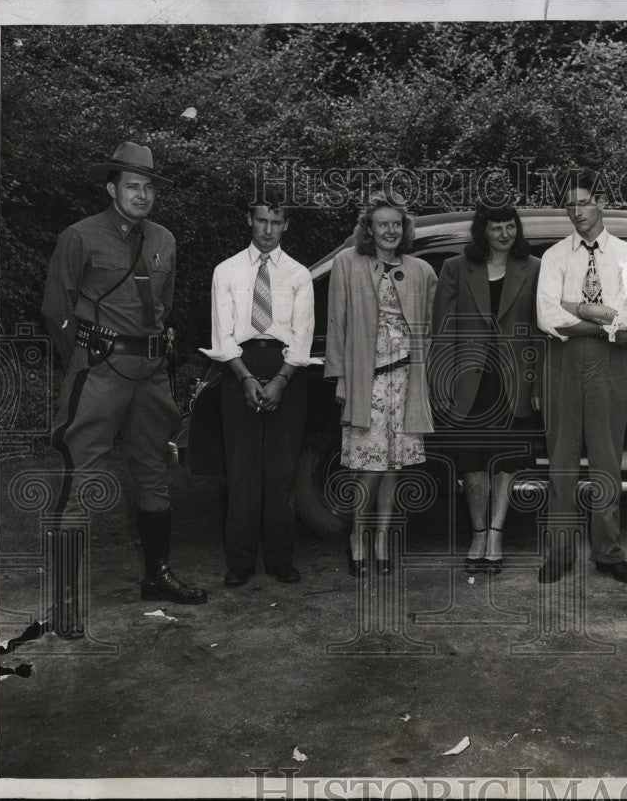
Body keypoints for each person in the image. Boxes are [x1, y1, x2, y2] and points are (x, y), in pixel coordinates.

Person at [42, 142, 206, 636]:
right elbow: (56, 309)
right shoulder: (80, 236)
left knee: (155, 471)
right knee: (82, 473)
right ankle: (64, 600)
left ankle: (156, 576)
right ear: (112, 188)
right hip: (99, 370)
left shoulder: (163, 240)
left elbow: (164, 305)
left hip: (151, 374)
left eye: (149, 186)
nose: (142, 194)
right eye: (133, 186)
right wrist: (86, 354)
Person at [199, 202, 319, 587]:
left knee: (282, 471)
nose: (268, 230)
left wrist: (281, 380)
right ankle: (240, 561)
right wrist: (246, 378)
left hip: (287, 369)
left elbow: (303, 337)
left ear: (286, 226)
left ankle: (281, 559)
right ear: (248, 220)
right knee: (242, 471)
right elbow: (222, 334)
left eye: (276, 222)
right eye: (261, 220)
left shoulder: (299, 274)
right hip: (239, 368)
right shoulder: (227, 270)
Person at [535, 168, 627, 585]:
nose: (576, 212)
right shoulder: (555, 256)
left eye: (583, 202)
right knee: (561, 460)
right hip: (563, 361)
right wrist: (604, 319)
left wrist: (578, 308)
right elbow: (548, 317)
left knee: (606, 460)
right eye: (569, 205)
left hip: (609, 365)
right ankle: (560, 553)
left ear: (601, 202)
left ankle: (608, 552)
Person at [325, 193, 437, 577]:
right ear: (368, 229)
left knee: (395, 467)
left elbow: (431, 326)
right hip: (365, 381)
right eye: (382, 224)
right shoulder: (347, 263)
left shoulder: (421, 270)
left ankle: (383, 540)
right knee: (367, 467)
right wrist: (340, 376)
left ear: (404, 229)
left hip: (405, 379)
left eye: (396, 224)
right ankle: (357, 537)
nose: (390, 231)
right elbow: (336, 324)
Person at [432, 203, 543, 575]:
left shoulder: (534, 267)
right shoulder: (456, 267)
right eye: (495, 228)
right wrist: (441, 381)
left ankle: (497, 533)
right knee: (473, 463)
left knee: (505, 463)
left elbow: (540, 333)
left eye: (510, 227)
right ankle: (477, 533)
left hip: (514, 381)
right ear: (483, 231)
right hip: (469, 381)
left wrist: (538, 382)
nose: (504, 235)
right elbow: (442, 331)